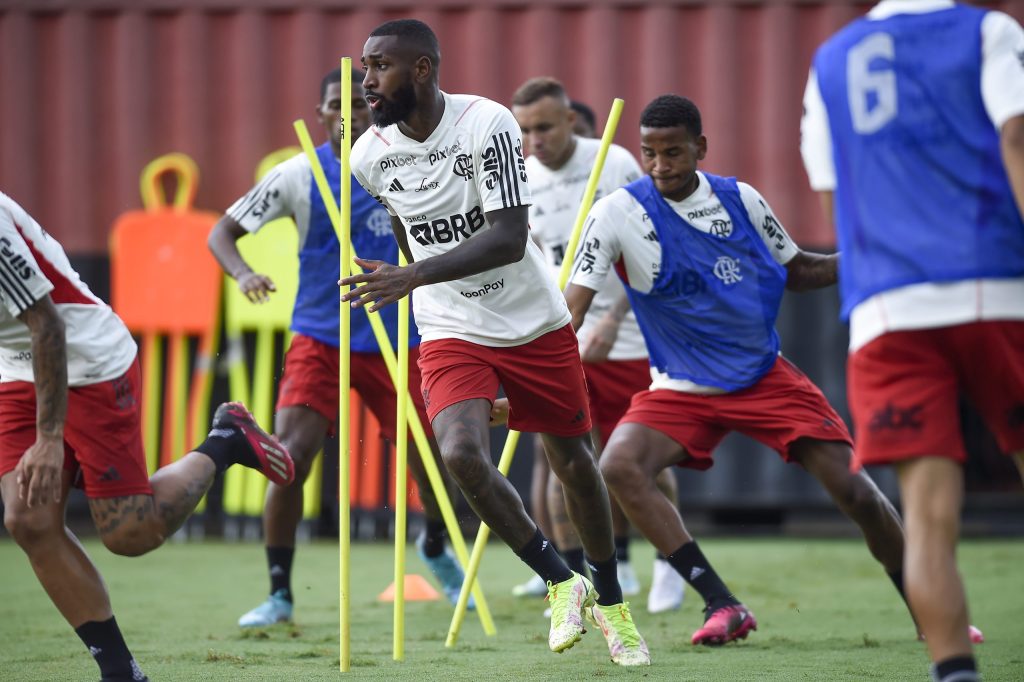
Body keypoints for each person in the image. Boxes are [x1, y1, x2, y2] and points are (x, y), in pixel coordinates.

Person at [341, 19, 649, 666]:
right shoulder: (367, 156)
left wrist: (413, 275)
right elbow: (408, 236)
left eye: (380, 67)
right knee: (459, 453)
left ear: (422, 69)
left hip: (533, 318)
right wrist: (415, 280)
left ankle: (614, 600)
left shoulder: (487, 123)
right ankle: (561, 581)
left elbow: (508, 237)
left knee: (573, 465)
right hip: (450, 323)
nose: (366, 80)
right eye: (363, 66)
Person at [564, 94, 919, 647]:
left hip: (762, 376)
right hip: (681, 385)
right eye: (650, 153)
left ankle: (930, 611)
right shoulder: (615, 213)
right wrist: (528, 374)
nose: (661, 166)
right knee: (621, 465)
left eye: (674, 152)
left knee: (859, 495)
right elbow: (572, 310)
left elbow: (799, 271)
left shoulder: (741, 200)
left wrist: (870, 257)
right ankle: (722, 603)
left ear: (701, 148)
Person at [801, 3, 1024, 680]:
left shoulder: (830, 60)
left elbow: (833, 198)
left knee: (927, 519)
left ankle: (955, 672)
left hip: (885, 309)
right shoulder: (988, 31)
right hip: (993, 284)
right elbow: (1016, 140)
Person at [208, 66, 467, 626]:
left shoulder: (407, 162)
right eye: (335, 103)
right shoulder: (297, 174)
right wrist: (243, 273)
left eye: (359, 100)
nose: (347, 112)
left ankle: (434, 545)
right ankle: (279, 592)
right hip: (320, 335)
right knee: (290, 458)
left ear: (377, 106)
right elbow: (221, 232)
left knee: (436, 454)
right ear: (320, 113)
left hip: (399, 333)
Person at [0, 191, 294, 682]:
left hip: (87, 360)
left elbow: (46, 326)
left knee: (130, 535)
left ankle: (225, 440)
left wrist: (50, 439)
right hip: (16, 369)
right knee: (28, 519)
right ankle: (121, 673)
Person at [510, 77, 685, 615]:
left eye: (544, 126)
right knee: (566, 459)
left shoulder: (614, 163)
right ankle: (580, 578)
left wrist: (613, 314)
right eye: (524, 130)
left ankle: (669, 566)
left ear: (570, 120)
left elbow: (655, 249)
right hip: (557, 332)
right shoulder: (518, 176)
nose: (534, 139)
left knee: (640, 458)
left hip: (626, 333)